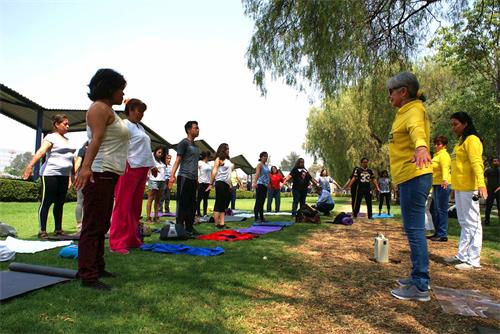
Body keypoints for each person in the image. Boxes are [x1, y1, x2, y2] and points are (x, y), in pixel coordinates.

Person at [74, 68, 129, 290]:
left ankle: (97, 266)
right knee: (93, 225)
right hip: (99, 172)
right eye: (120, 90)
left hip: (109, 173)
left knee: (102, 223)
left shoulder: (109, 110)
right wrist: (85, 167)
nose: (123, 95)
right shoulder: (98, 108)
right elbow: (95, 140)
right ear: (109, 88)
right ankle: (88, 275)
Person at [386, 71, 433, 302]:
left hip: (415, 175)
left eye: (391, 91)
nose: (389, 96)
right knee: (412, 229)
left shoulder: (413, 110)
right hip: (408, 177)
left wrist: (422, 147)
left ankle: (421, 285)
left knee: (414, 230)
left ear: (403, 92)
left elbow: (417, 130)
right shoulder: (404, 111)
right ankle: (416, 277)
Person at [109, 98, 155, 255]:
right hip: (129, 168)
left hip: (142, 169)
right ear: (129, 110)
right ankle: (116, 242)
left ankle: (131, 239)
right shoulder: (124, 125)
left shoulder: (140, 127)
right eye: (138, 110)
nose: (141, 114)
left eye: (142, 111)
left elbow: (146, 149)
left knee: (135, 207)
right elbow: (116, 145)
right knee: (123, 206)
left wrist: (153, 166)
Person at [444, 112, 488, 270]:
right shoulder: (460, 143)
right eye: (452, 124)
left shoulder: (472, 140)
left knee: (473, 223)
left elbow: (477, 163)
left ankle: (474, 260)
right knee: (463, 222)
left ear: (465, 124)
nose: (453, 128)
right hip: (461, 188)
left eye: (456, 124)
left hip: (471, 188)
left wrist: (481, 185)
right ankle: (462, 256)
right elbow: (457, 168)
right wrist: (454, 188)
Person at [22, 114, 76, 239]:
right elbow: (41, 152)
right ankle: (42, 230)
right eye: (65, 124)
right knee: (46, 202)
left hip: (63, 175)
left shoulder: (67, 140)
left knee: (60, 203)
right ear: (57, 124)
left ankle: (58, 229)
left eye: (68, 124)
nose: (67, 126)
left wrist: (72, 175)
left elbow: (71, 159)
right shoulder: (51, 137)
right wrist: (30, 166)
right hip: (50, 174)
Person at [168, 121, 200, 236]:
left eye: (198, 128)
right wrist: (172, 176)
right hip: (184, 177)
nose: (198, 129)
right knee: (182, 203)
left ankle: (190, 227)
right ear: (188, 130)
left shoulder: (196, 146)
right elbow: (177, 160)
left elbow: (195, 164)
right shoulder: (183, 143)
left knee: (192, 204)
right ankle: (180, 228)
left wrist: (196, 179)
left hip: (192, 179)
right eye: (195, 128)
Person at [428, 135, 452, 242]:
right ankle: (437, 232)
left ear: (444, 145)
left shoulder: (444, 155)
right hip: (436, 184)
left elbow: (445, 168)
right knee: (434, 209)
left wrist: (445, 180)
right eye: (435, 144)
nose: (436, 146)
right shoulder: (436, 156)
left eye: (439, 144)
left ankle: (442, 234)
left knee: (441, 210)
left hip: (443, 184)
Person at [206, 143, 233, 228]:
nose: (228, 150)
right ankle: (217, 223)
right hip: (220, 183)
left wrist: (230, 184)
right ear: (223, 150)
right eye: (226, 149)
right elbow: (214, 171)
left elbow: (229, 173)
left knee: (223, 204)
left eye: (228, 148)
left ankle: (222, 223)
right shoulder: (219, 159)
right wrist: (211, 183)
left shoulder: (228, 160)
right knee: (219, 203)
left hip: (226, 184)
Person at [146, 147, 165, 224]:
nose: (160, 154)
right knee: (150, 199)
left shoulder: (162, 161)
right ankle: (148, 218)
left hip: (162, 181)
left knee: (157, 200)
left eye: (162, 153)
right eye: (159, 152)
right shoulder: (152, 159)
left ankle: (156, 217)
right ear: (155, 152)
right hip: (153, 180)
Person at [74, 141, 88, 233]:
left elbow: (78, 163)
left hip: (82, 175)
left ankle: (79, 224)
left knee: (80, 201)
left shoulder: (82, 150)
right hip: (92, 176)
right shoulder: (98, 150)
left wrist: (73, 175)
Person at [252, 152, 270, 222]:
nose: (266, 158)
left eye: (267, 156)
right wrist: (254, 182)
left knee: (262, 202)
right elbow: (257, 174)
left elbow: (268, 175)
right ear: (261, 157)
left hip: (265, 185)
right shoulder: (259, 165)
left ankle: (262, 217)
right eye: (264, 156)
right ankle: (256, 218)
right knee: (258, 201)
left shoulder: (266, 165)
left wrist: (269, 183)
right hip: (260, 184)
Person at [484, 157, 499, 225]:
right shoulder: (488, 170)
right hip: (490, 191)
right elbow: (482, 178)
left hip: (499, 191)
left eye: (497, 161)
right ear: (492, 162)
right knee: (488, 206)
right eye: (494, 161)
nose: (496, 162)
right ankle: (487, 221)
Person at [196, 151, 212, 217]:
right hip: (201, 182)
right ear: (206, 156)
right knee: (199, 199)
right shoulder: (199, 162)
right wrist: (197, 181)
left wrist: (211, 183)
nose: (209, 158)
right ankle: (198, 213)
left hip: (207, 183)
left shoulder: (208, 164)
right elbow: (195, 171)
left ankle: (205, 213)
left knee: (206, 199)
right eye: (209, 156)